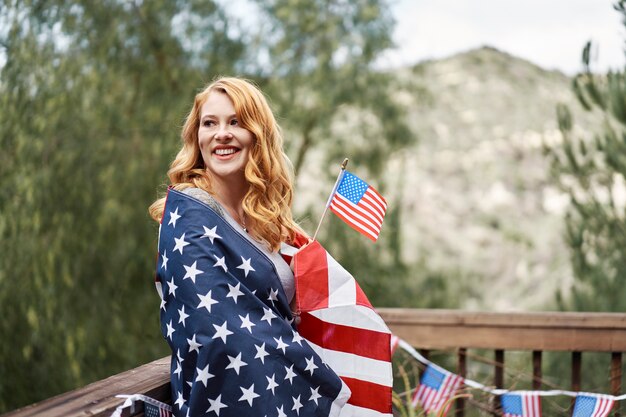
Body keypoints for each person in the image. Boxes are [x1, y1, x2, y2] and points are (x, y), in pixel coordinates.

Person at [148, 77, 350, 416]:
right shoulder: (188, 214)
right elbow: (217, 329)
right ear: (197, 138)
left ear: (258, 134)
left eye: (236, 122)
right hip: (234, 399)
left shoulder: (265, 221)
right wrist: (311, 369)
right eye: (209, 123)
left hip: (281, 392)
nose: (221, 133)